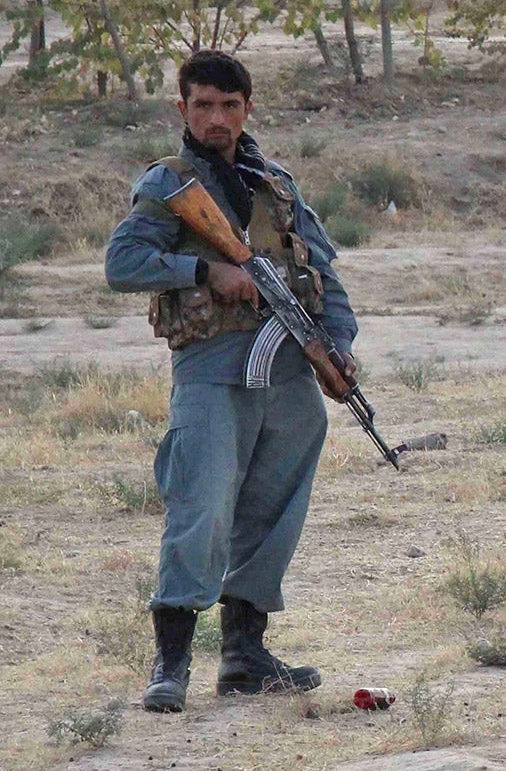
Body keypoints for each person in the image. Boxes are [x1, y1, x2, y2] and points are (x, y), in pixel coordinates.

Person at [106, 50, 359, 713]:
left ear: (247, 109)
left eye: (229, 106)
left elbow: (322, 272)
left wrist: (340, 348)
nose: (216, 119)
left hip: (288, 378)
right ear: (182, 109)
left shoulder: (275, 184)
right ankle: (172, 662)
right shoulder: (170, 185)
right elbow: (122, 262)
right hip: (214, 371)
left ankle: (246, 654)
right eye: (203, 106)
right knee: (203, 507)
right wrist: (203, 273)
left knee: (275, 509)